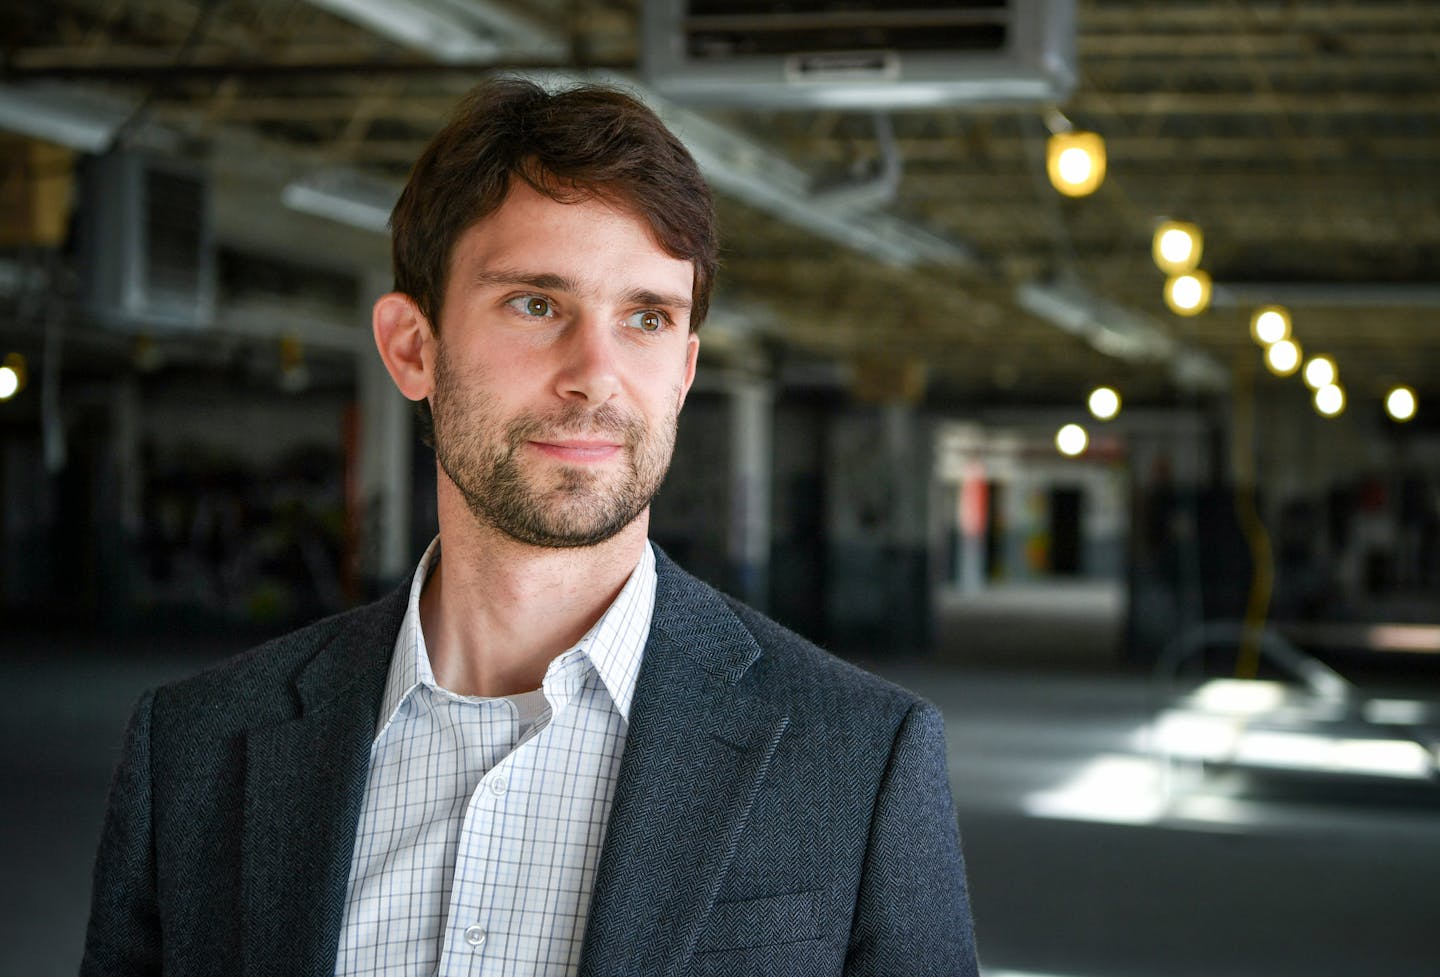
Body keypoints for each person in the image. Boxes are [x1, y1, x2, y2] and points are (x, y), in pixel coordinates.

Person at [81, 77, 977, 977]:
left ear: (684, 371)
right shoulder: (193, 751)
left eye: (647, 318)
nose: (597, 374)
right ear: (411, 348)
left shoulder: (859, 760)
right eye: (537, 304)